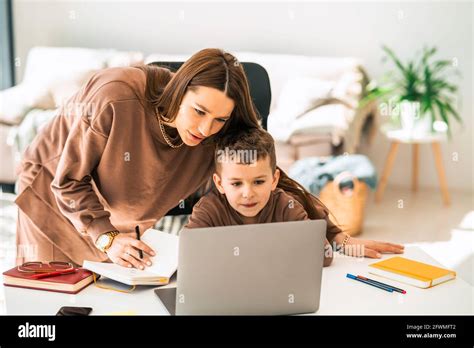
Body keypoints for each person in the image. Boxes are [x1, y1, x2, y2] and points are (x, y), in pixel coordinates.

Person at [15, 48, 261, 269]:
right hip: (51, 201)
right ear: (179, 90)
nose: (206, 129)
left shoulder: (220, 135)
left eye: (220, 119)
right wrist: (107, 238)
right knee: (52, 299)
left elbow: (255, 175)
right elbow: (68, 181)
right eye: (198, 111)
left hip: (120, 222)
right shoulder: (114, 96)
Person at [185, 128, 405, 265]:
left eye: (259, 181)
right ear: (219, 183)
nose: (248, 193)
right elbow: (188, 255)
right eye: (236, 183)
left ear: (274, 179)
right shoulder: (208, 209)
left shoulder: (285, 204)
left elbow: (324, 255)